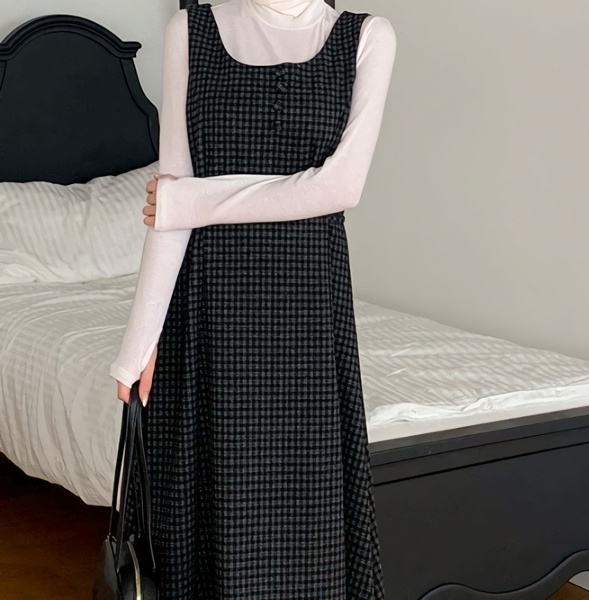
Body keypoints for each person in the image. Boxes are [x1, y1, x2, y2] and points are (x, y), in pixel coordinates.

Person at [109, 0, 396, 597]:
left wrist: (190, 200)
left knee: (303, 518)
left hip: (307, 315)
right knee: (201, 513)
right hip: (208, 304)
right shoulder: (191, 30)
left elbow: (339, 187)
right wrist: (139, 343)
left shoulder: (366, 37)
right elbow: (172, 199)